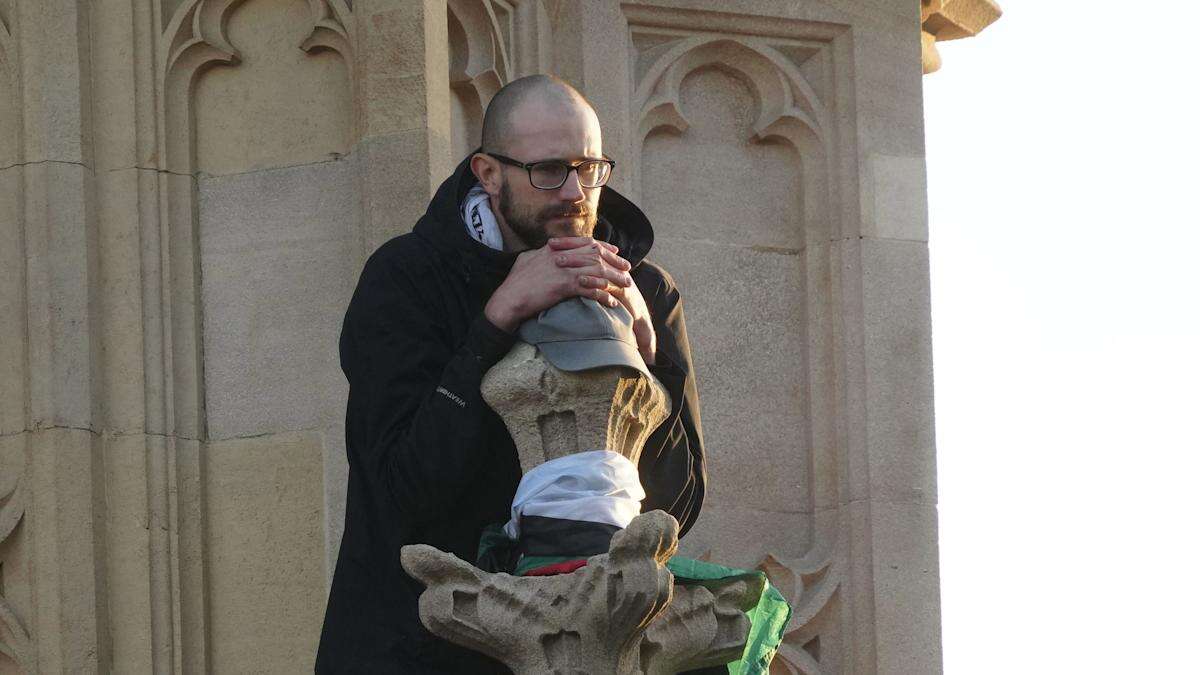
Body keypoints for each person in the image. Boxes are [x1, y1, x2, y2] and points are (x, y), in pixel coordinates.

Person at [315, 74, 708, 673]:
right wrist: (496, 321)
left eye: (589, 167)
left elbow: (676, 505)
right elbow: (403, 492)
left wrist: (647, 367)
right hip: (420, 648)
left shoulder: (646, 288)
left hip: (592, 649)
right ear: (488, 173)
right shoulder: (407, 277)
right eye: (549, 170)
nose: (575, 191)